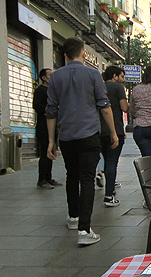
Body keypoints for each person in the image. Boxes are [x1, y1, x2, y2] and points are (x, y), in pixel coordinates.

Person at [46, 38, 118, 246]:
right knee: (87, 179)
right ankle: (84, 230)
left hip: (67, 136)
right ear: (83, 53)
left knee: (72, 175)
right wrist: (112, 132)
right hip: (88, 134)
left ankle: (73, 216)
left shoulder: (55, 77)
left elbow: (51, 111)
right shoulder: (93, 74)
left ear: (65, 55)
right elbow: (104, 106)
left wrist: (52, 140)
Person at [100, 65, 129, 206]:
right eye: (122, 76)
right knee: (112, 162)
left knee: (107, 160)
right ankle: (108, 194)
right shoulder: (118, 88)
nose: (123, 80)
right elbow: (124, 107)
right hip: (115, 129)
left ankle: (109, 183)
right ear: (114, 76)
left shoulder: (99, 86)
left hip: (99, 130)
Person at [33, 68, 61, 189]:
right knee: (45, 152)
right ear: (44, 77)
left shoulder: (53, 90)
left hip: (53, 125)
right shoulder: (40, 90)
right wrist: (50, 109)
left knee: (51, 152)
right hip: (44, 126)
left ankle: (48, 177)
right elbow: (37, 106)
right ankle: (42, 179)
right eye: (50, 75)